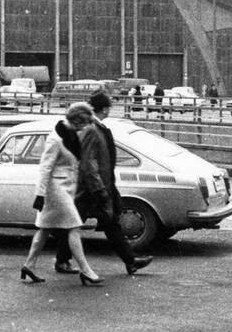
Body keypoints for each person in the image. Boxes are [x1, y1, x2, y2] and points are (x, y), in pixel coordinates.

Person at [55, 91, 153, 277]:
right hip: (92, 188)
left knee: (108, 223)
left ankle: (130, 261)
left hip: (99, 185)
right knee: (77, 224)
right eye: (109, 106)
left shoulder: (96, 127)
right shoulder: (92, 129)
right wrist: (99, 189)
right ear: (105, 109)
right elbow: (89, 161)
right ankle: (62, 260)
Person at [20, 103, 103, 286]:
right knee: (74, 227)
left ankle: (29, 265)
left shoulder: (70, 135)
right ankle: (86, 271)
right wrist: (40, 194)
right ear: (75, 120)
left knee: (45, 229)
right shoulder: (55, 139)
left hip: (64, 188)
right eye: (82, 124)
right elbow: (45, 167)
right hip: (55, 190)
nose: (83, 128)